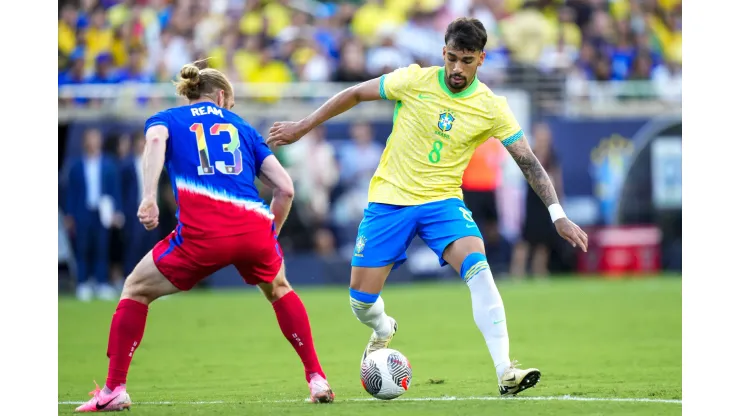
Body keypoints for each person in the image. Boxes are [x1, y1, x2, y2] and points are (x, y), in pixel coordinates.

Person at [268, 18, 588, 396]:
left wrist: (558, 214)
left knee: (479, 269)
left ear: (481, 59)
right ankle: (384, 328)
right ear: (443, 52)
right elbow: (355, 94)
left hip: (443, 202)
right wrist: (303, 127)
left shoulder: (491, 107)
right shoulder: (413, 79)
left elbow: (529, 161)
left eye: (466, 60)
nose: (456, 68)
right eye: (451, 58)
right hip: (390, 199)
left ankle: (506, 371)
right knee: (360, 301)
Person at [74, 62, 334, 412]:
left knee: (135, 289)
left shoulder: (167, 118)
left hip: (202, 233)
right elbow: (285, 189)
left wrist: (149, 195)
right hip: (253, 228)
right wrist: (268, 236)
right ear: (222, 96)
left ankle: (114, 389)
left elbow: (153, 141)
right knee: (280, 289)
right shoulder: (242, 127)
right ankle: (317, 377)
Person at [65, 128, 123, 302]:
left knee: (101, 247)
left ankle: (101, 282)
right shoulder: (76, 165)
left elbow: (115, 190)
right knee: (83, 247)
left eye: (96, 138)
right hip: (83, 211)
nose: (94, 142)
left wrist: (116, 211)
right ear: (85, 142)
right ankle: (83, 282)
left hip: (102, 212)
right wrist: (69, 214)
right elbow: (71, 192)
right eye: (90, 139)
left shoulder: (108, 164)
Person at [510, 122, 564, 279]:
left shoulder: (552, 156)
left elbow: (558, 179)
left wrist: (559, 200)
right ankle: (517, 272)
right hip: (531, 201)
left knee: (543, 241)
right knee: (525, 239)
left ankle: (539, 270)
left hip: (546, 203)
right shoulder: (530, 154)